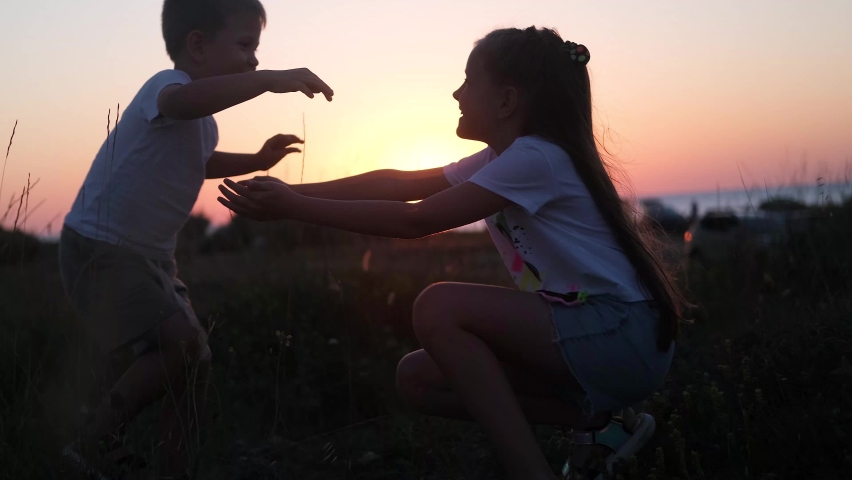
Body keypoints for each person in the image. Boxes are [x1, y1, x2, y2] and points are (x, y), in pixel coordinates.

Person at [219, 26, 686, 480]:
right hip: (605, 334)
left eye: (468, 81)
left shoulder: (536, 157)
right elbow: (397, 184)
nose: (457, 94)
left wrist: (295, 208)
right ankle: (602, 423)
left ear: (506, 101)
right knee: (419, 379)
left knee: (438, 306)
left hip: (620, 333)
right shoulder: (504, 158)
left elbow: (415, 220)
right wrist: (292, 193)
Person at [58, 0, 333, 477]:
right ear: (198, 45)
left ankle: (175, 465)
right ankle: (92, 442)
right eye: (245, 45)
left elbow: (200, 162)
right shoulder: (166, 87)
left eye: (256, 50)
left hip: (150, 260)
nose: (254, 60)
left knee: (194, 358)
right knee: (180, 344)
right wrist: (271, 81)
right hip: (101, 248)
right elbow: (180, 104)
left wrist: (257, 160)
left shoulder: (204, 122)